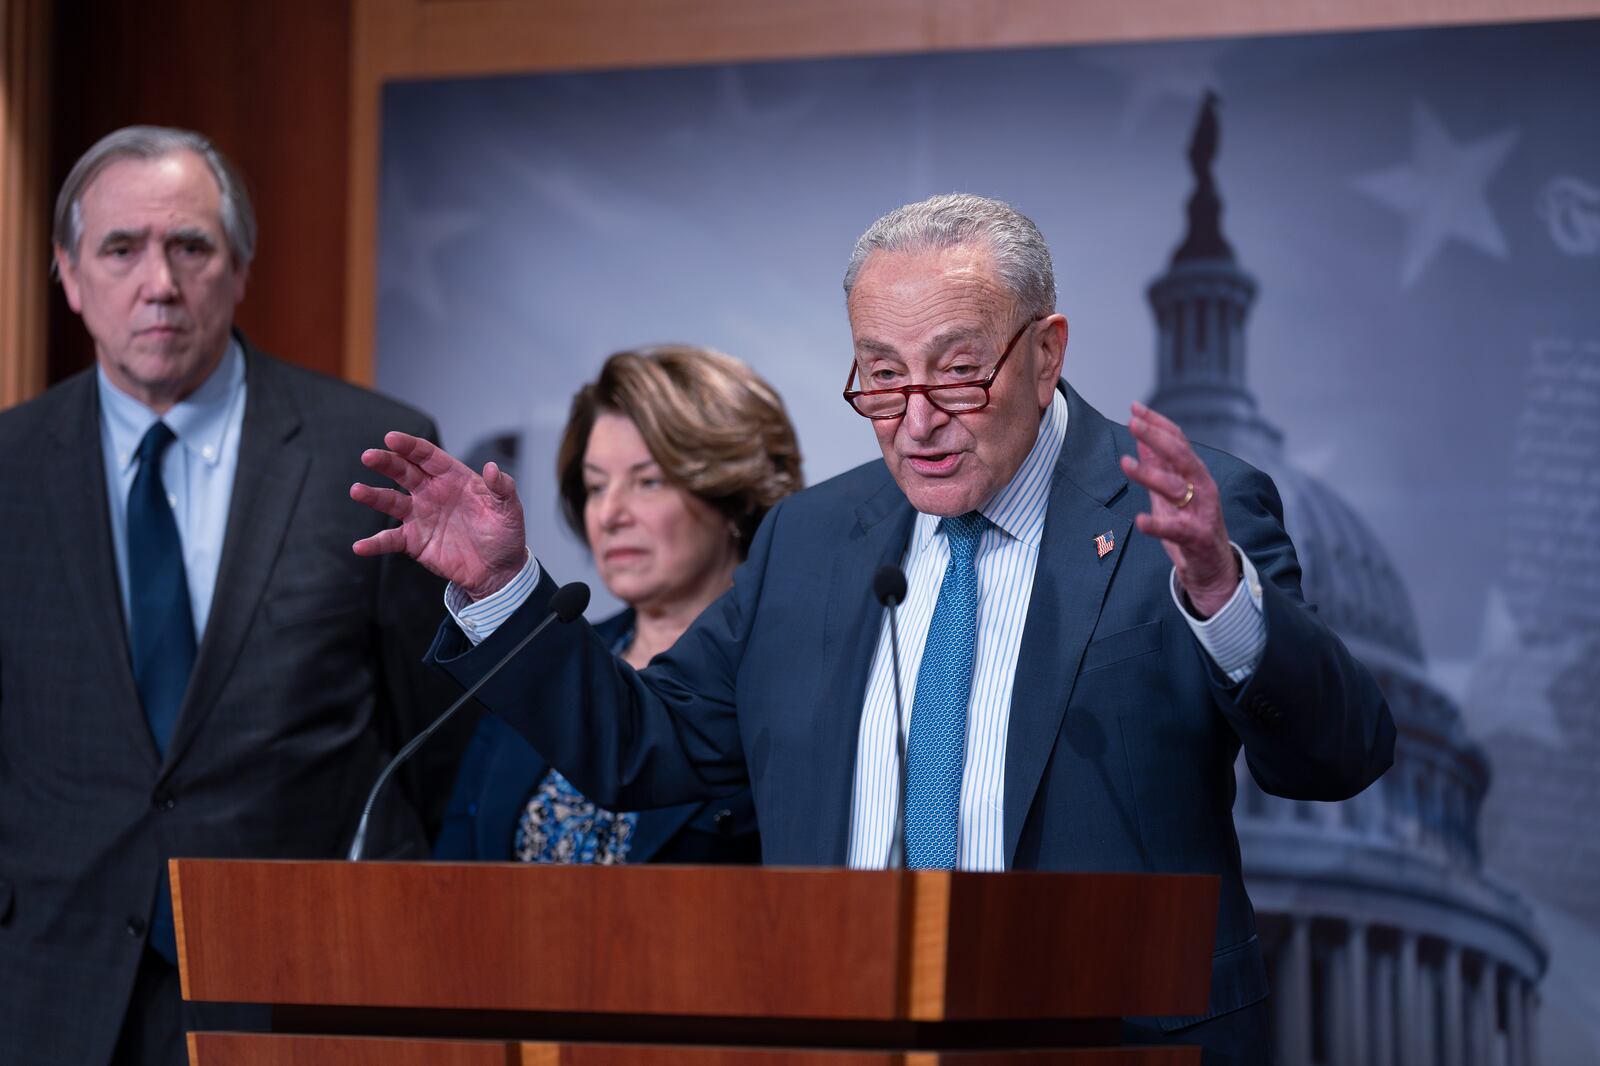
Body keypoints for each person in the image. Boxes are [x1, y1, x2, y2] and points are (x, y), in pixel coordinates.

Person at [353, 193, 1395, 1064]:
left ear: (1045, 353)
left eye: (956, 368)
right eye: (882, 375)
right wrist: (502, 589)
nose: (917, 417)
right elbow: (647, 746)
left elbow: (1338, 756)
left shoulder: (1182, 511)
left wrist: (1224, 601)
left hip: (1115, 1037)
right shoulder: (814, 540)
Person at [0, 126, 469, 1066]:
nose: (160, 283)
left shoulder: (370, 449)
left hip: (297, 981)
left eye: (191, 247)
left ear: (240, 266)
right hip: (50, 987)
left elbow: (435, 742)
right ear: (66, 273)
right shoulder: (8, 469)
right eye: (121, 249)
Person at [433, 345, 801, 864]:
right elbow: (453, 873)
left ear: (734, 496)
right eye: (594, 487)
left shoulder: (792, 681)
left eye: (647, 481)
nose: (609, 514)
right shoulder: (545, 660)